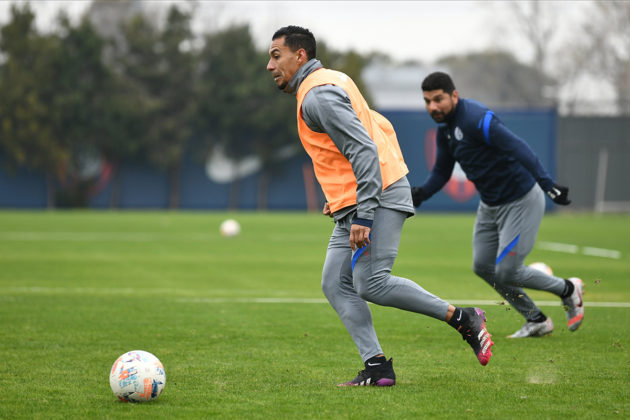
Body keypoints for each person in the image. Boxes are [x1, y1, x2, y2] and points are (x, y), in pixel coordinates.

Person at [266, 26, 493, 387]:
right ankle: (376, 368)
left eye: (276, 55)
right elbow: (379, 128)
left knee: (371, 283)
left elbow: (364, 150)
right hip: (360, 200)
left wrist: (364, 212)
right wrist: (344, 201)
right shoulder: (331, 80)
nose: (269, 64)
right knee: (335, 283)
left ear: (300, 56)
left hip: (375, 198)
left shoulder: (317, 95)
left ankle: (464, 317)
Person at [412, 71, 584, 338]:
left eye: (438, 99)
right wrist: (421, 194)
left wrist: (547, 183)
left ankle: (568, 289)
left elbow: (517, 146)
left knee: (508, 271)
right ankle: (536, 319)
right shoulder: (444, 131)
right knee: (482, 266)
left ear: (454, 96)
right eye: (427, 101)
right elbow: (442, 172)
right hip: (490, 206)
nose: (432, 106)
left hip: (521, 200)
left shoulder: (475, 118)